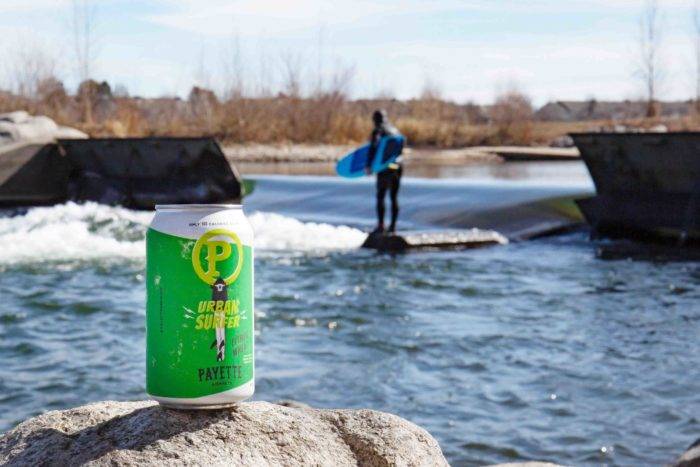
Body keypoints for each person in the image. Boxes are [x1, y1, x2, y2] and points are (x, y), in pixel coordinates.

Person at [365, 109, 403, 234]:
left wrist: (369, 165)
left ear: (374, 120)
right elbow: (401, 146)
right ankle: (393, 227)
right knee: (394, 197)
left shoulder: (378, 130)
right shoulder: (395, 130)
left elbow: (373, 148)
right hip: (397, 166)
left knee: (381, 196)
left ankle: (381, 226)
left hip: (385, 168)